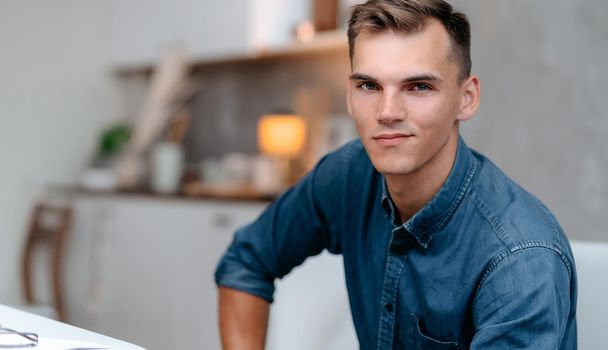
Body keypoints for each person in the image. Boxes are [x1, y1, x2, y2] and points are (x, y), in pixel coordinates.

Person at [215, 0, 577, 349]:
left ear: (466, 98)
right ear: (349, 94)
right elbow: (247, 260)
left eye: (419, 86)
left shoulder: (519, 261)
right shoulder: (349, 174)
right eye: (369, 86)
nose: (387, 112)